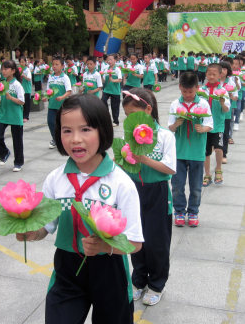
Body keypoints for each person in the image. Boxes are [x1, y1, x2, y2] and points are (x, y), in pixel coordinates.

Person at [16, 94, 143, 324]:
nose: (75, 139)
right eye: (67, 130)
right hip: (67, 269)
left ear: (102, 130)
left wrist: (104, 245)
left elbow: (135, 243)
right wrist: (30, 232)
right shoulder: (56, 179)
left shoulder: (121, 184)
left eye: (85, 129)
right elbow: (47, 226)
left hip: (109, 270)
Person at [122, 88, 176, 306]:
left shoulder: (165, 136)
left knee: (157, 242)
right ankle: (138, 280)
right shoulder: (130, 135)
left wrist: (142, 158)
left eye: (135, 115)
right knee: (136, 238)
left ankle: (156, 284)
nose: (131, 121)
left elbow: (170, 168)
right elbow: (126, 163)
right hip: (135, 191)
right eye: (127, 117)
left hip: (158, 194)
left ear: (148, 109)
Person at [168, 72, 213, 227]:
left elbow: (210, 123)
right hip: (179, 152)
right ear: (180, 87)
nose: (187, 95)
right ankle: (179, 211)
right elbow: (170, 127)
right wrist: (176, 124)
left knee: (195, 186)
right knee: (177, 185)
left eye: (191, 92)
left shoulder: (203, 104)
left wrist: (203, 128)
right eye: (184, 91)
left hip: (197, 152)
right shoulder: (175, 104)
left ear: (197, 88)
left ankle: (193, 211)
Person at [0, 60, 25, 172]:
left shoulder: (17, 85)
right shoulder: (1, 84)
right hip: (3, 113)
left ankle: (18, 162)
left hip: (15, 114)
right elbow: (1, 98)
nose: (3, 71)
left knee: (17, 140)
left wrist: (10, 97)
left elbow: (22, 101)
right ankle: (4, 152)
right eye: (3, 69)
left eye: (6, 69)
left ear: (13, 71)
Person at [201, 64, 230, 186]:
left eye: (214, 74)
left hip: (218, 126)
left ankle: (218, 169)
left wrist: (222, 103)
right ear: (206, 74)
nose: (211, 76)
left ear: (220, 75)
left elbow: (226, 110)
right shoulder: (202, 90)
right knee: (206, 152)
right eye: (209, 74)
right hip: (205, 126)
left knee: (219, 148)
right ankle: (207, 174)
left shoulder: (223, 91)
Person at [45, 56, 72, 149]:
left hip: (62, 106)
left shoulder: (65, 77)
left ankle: (64, 140)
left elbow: (69, 91)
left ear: (62, 66)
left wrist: (62, 97)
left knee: (62, 124)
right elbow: (48, 90)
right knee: (50, 122)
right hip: (52, 105)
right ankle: (55, 139)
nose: (54, 66)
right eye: (53, 64)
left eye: (57, 64)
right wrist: (45, 97)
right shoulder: (51, 77)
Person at [219, 61, 238, 164]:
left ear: (228, 71)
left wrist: (231, 96)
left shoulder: (231, 82)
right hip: (215, 112)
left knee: (225, 133)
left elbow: (235, 97)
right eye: (220, 68)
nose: (222, 71)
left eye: (225, 69)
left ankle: (224, 154)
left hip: (226, 112)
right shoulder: (215, 81)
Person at [101, 54, 122, 127]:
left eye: (111, 59)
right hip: (106, 90)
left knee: (115, 107)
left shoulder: (117, 69)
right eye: (108, 60)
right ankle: (106, 116)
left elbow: (120, 79)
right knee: (103, 101)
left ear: (115, 60)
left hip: (115, 91)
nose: (109, 61)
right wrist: (101, 76)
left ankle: (116, 121)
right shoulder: (106, 69)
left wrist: (113, 80)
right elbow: (103, 80)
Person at [19, 56, 32, 123]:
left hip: (27, 89)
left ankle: (26, 116)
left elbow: (29, 78)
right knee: (21, 103)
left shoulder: (27, 70)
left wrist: (24, 75)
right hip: (21, 89)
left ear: (25, 62)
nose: (21, 63)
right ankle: (21, 116)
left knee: (27, 104)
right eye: (20, 62)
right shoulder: (19, 69)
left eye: (23, 62)